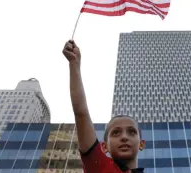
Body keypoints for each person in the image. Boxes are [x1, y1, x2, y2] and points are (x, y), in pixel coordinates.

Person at [62, 40, 146, 173]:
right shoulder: (100, 167)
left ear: (141, 144)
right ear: (104, 147)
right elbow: (81, 113)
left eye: (132, 132)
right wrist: (74, 64)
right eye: (116, 133)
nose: (124, 137)